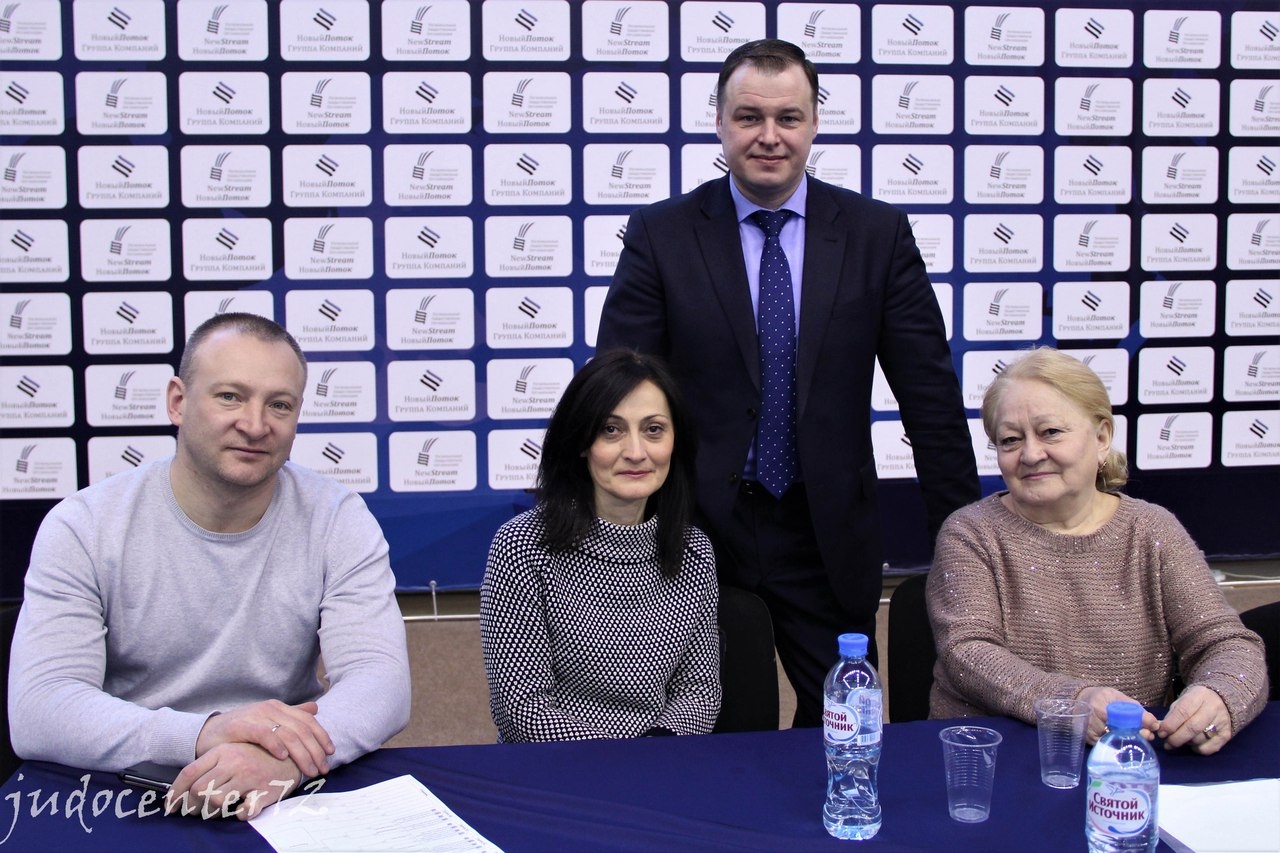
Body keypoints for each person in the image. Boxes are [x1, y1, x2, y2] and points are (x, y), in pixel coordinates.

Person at [595, 38, 979, 726]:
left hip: (826, 529)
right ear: (719, 122)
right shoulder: (662, 234)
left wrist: (963, 542)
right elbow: (615, 393)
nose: (769, 136)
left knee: (846, 727)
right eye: (749, 117)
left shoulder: (876, 235)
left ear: (814, 123)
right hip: (697, 528)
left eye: (788, 118)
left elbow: (931, 402)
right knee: (713, 729)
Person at [8, 313, 411, 817]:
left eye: (279, 405)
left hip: (283, 786)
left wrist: (284, 758)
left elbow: (381, 681)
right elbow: (41, 707)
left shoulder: (337, 517)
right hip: (125, 789)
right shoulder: (84, 525)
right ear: (178, 402)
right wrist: (204, 733)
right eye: (230, 397)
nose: (255, 425)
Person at [926, 347, 1268, 754]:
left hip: (1127, 762)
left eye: (1051, 432)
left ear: (1102, 437)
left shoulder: (1152, 530)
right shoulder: (970, 533)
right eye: (1011, 440)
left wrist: (1220, 693)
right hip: (990, 756)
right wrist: (1070, 702)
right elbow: (967, 652)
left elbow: (1225, 643)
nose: (1031, 454)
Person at [479, 350, 720, 742]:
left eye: (654, 429)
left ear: (675, 441)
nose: (636, 452)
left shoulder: (693, 550)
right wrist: (618, 759)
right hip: (557, 765)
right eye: (611, 430)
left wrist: (657, 749)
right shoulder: (521, 546)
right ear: (580, 441)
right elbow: (521, 708)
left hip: (660, 757)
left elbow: (700, 691)